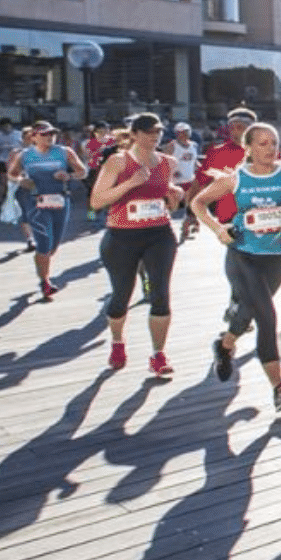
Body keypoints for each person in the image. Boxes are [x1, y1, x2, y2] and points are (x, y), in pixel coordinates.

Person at [193, 122, 281, 411]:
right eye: (263, 144)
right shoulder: (236, 178)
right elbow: (198, 202)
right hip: (243, 255)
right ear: (248, 148)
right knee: (267, 317)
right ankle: (279, 389)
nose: (270, 149)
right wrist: (218, 229)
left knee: (248, 312)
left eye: (274, 143)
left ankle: (225, 345)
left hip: (278, 257)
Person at [89, 113, 185, 376]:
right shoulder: (118, 162)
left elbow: (169, 200)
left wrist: (174, 194)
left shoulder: (167, 162)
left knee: (160, 294)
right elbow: (97, 201)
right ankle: (118, 343)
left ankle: (158, 355)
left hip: (159, 234)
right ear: (134, 134)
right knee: (122, 295)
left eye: (159, 131)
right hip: (122, 236)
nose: (155, 136)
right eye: (149, 131)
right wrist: (130, 183)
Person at [9, 120, 88, 300]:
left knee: (53, 246)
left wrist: (69, 175)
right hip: (35, 202)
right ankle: (45, 282)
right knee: (44, 244)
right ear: (34, 136)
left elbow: (83, 172)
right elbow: (12, 174)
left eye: (52, 133)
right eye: (45, 134)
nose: (50, 137)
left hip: (60, 200)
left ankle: (42, 268)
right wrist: (22, 181)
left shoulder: (64, 152)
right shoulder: (24, 155)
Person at [167, 123, 201, 242]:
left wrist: (202, 170)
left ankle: (186, 227)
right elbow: (164, 162)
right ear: (177, 133)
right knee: (173, 207)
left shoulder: (194, 145)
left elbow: (194, 161)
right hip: (175, 182)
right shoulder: (172, 146)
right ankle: (165, 228)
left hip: (189, 180)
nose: (184, 134)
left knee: (191, 205)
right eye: (181, 132)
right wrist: (172, 171)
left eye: (186, 131)